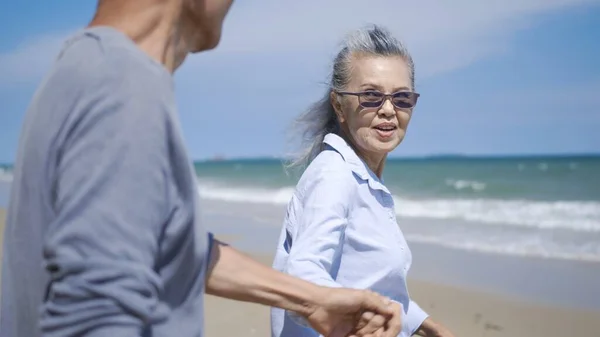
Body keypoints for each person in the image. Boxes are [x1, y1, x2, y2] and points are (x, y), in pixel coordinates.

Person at [0, 2, 403, 337]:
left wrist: (311, 299)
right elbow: (95, 314)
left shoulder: (85, 66)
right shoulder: (123, 87)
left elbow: (175, 247)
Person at [271, 25, 455, 337]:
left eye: (402, 97)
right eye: (371, 96)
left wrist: (429, 326)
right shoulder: (334, 175)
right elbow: (303, 275)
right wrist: (354, 319)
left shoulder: (361, 178)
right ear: (339, 104)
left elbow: (369, 283)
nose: (388, 110)